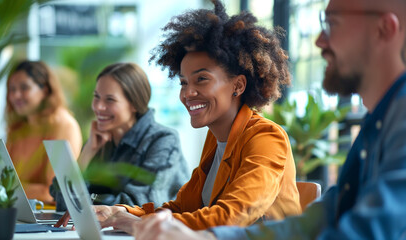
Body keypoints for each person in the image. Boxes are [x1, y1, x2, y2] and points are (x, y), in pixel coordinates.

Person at [132, 0, 406, 239]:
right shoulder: (378, 122)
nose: (320, 40)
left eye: (332, 23)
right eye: (183, 82)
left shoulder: (265, 136)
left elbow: (365, 231)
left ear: (385, 29)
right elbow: (315, 222)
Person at [58, 0, 302, 233]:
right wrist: (117, 212)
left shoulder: (266, 138)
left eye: (201, 79)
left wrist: (137, 224)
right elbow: (179, 208)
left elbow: (229, 218)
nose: (188, 93)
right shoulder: (215, 139)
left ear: (237, 85)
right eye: (184, 82)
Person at [51, 62, 189, 214]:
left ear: (134, 104)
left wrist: (86, 198)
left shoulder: (163, 140)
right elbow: (61, 200)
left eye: (110, 100)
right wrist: (88, 152)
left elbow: (138, 204)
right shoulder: (100, 139)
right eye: (96, 97)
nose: (98, 107)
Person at [6, 60, 83, 204]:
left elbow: (53, 192)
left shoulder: (64, 125)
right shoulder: (18, 128)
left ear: (45, 90)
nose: (16, 95)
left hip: (48, 218)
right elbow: (4, 180)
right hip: (19, 210)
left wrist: (6, 188)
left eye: (24, 87)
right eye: (12, 89)